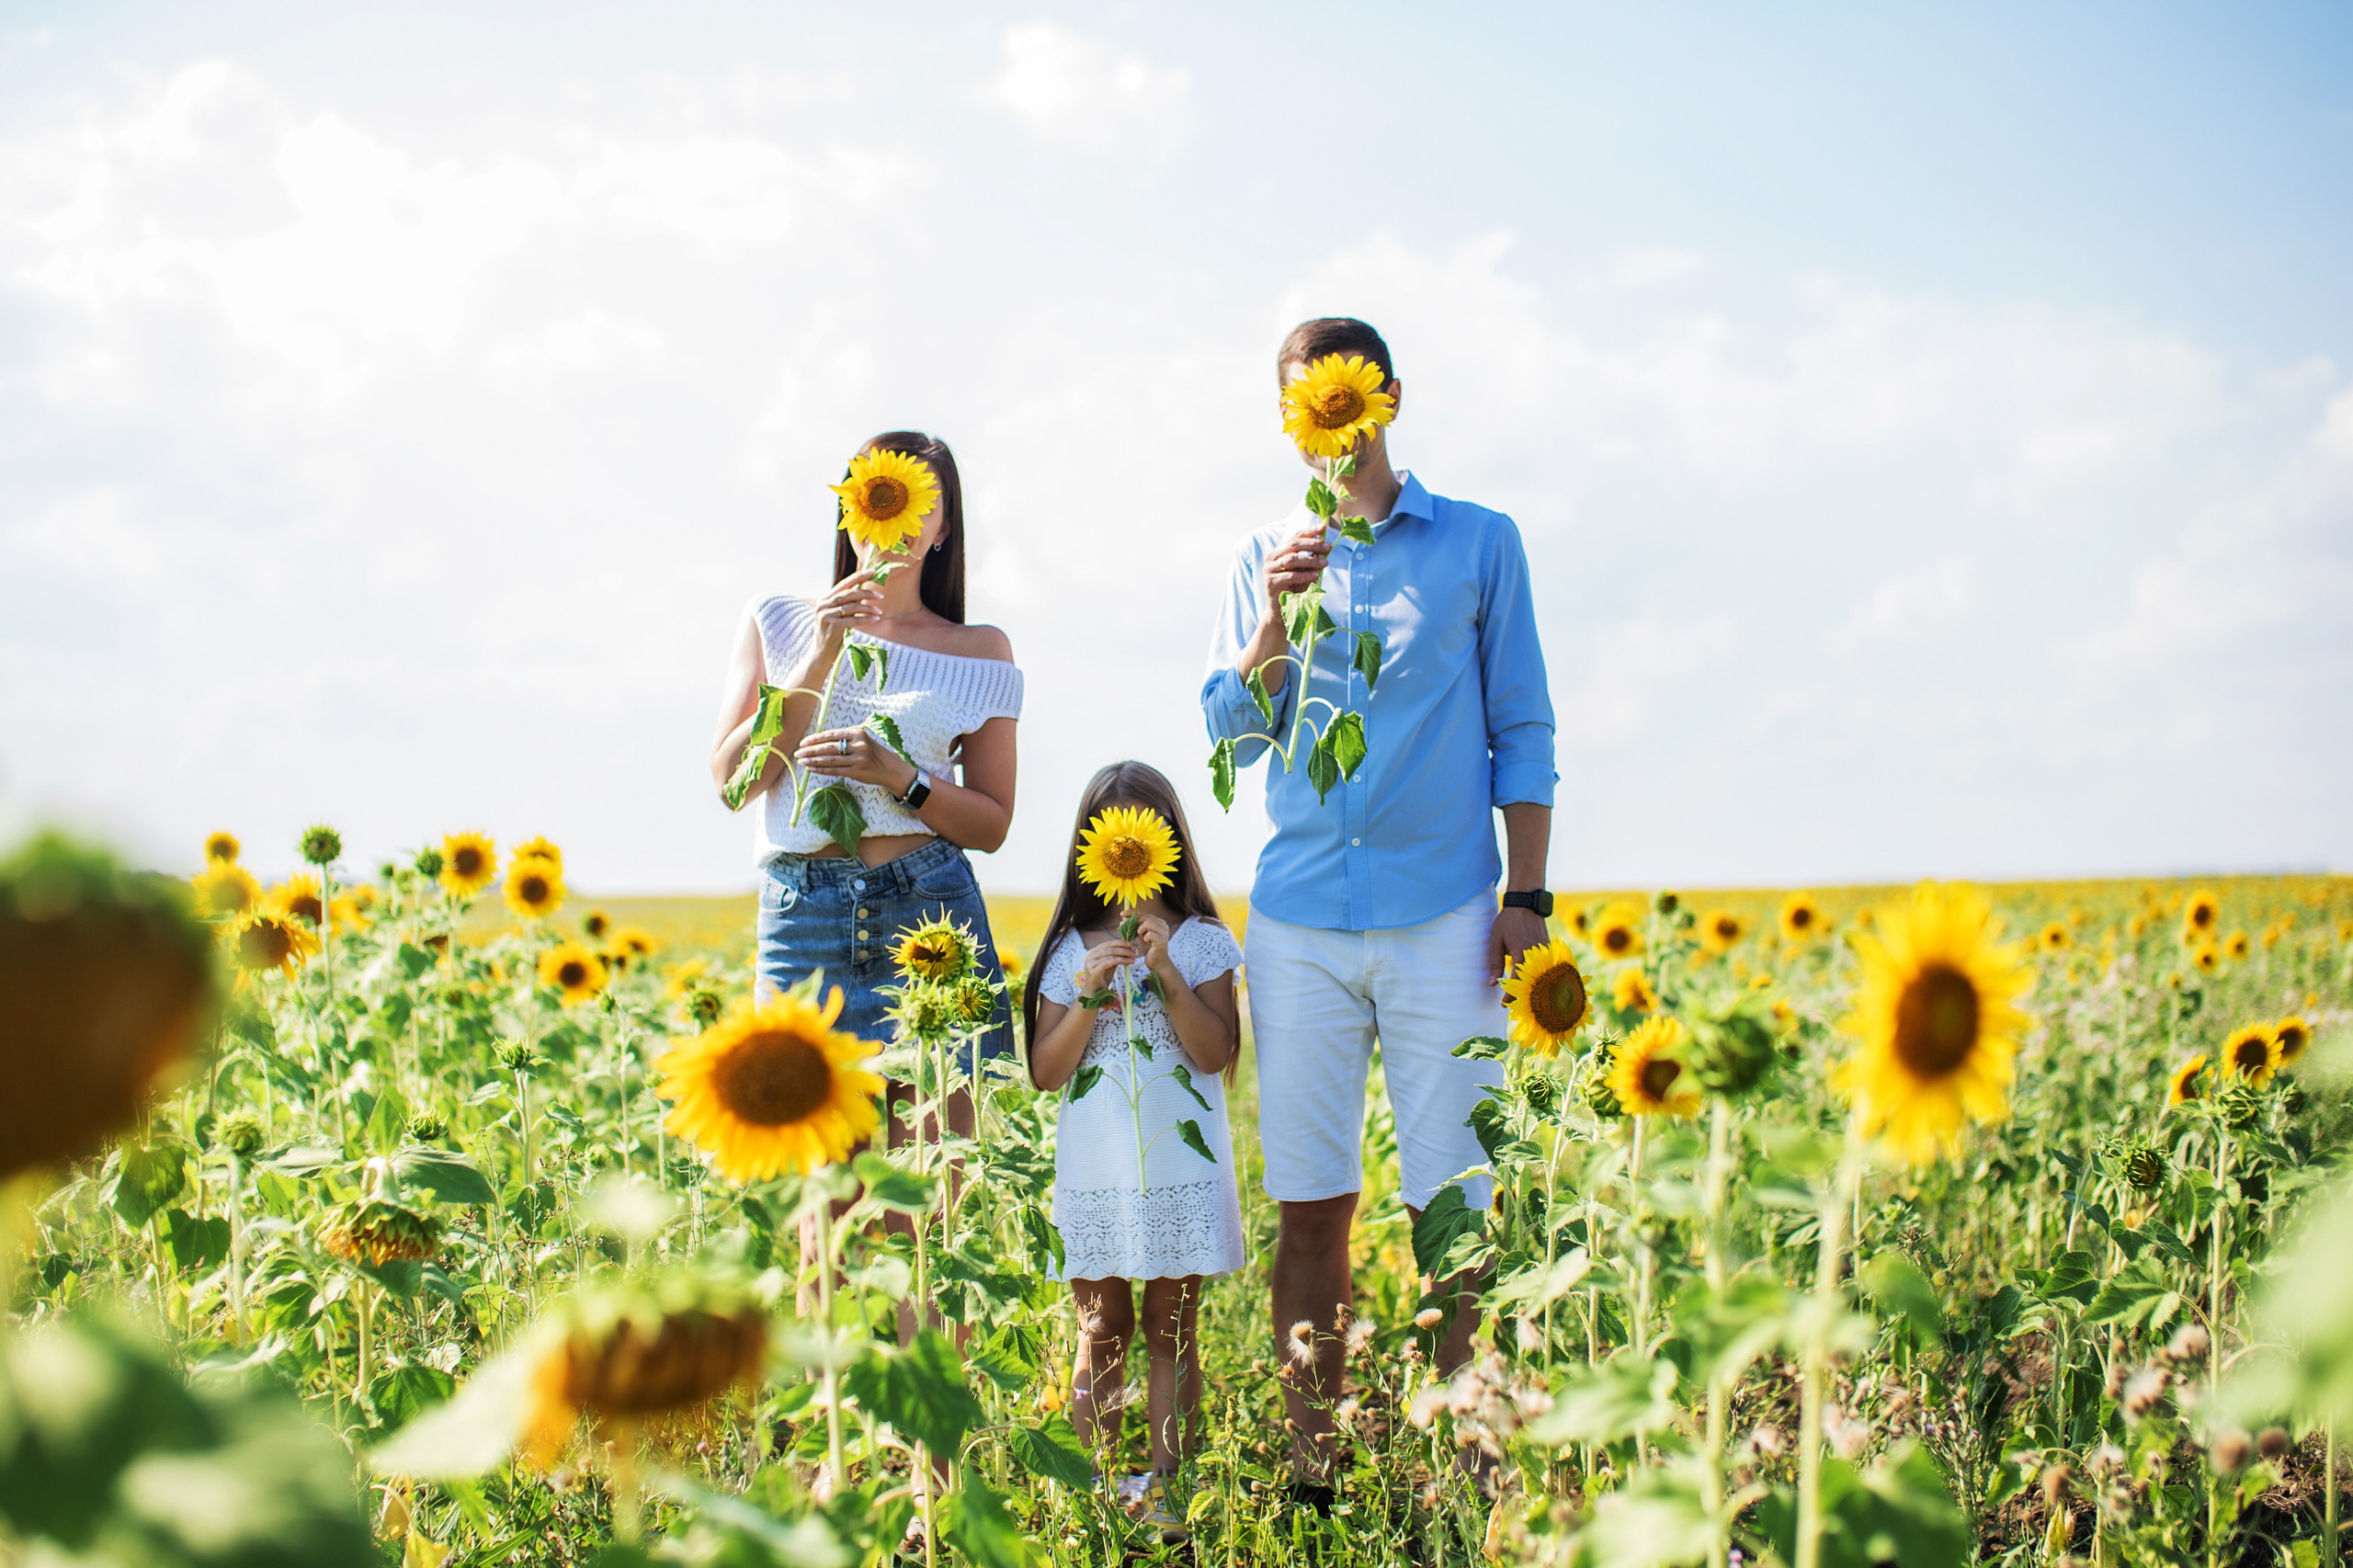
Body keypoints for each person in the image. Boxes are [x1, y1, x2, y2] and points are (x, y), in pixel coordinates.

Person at [1199, 318, 1556, 1508]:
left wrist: (1528, 897)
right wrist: (1268, 632)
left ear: (1387, 398)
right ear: (1288, 417)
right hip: (1299, 922)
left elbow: (1525, 724)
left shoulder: (1478, 543)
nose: (1331, 422)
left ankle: (1478, 1470)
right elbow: (1232, 737)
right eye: (1307, 403)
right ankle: (1317, 1470)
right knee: (1312, 1203)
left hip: (1445, 919)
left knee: (1453, 1204)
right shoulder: (1263, 552)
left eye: (1348, 400)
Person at [709, 428, 1022, 1307]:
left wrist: (905, 780)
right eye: (873, 495)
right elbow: (739, 781)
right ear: (847, 508)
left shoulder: (980, 649)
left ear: (943, 530)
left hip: (926, 914)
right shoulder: (778, 618)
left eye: (914, 502)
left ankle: (930, 1446)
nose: (890, 519)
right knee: (824, 1207)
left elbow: (992, 823)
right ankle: (834, 1446)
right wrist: (816, 656)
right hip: (803, 915)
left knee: (927, 1208)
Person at [1024, 762, 1243, 1540]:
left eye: (1138, 833)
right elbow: (1047, 1072)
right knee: (1101, 1325)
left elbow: (1215, 1054)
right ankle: (1098, 1495)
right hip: (1099, 1167)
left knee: (1172, 1325)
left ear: (1166, 841)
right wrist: (1087, 991)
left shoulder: (1205, 942)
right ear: (1091, 845)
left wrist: (1169, 977)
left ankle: (1164, 1497)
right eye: (1109, 834)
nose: (1124, 845)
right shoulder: (1068, 949)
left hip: (1178, 1164)